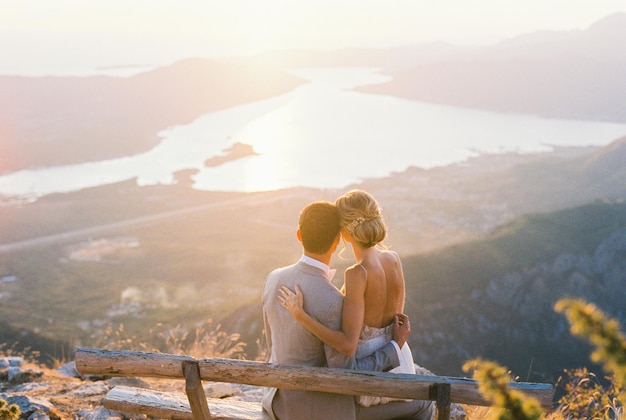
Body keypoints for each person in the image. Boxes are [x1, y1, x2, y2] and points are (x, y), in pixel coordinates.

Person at [262, 199, 433, 420]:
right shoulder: (335, 302)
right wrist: (394, 348)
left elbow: (273, 345)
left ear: (299, 235)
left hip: (276, 401)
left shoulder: (273, 278)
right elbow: (347, 373)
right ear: (336, 241)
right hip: (320, 410)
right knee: (424, 405)